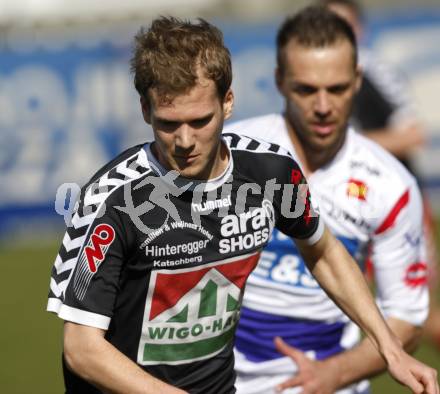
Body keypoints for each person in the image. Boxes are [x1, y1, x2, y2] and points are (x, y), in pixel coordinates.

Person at [46, 16, 438, 394]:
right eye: (168, 123)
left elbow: (324, 251)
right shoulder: (110, 200)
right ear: (145, 110)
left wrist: (389, 348)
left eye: (200, 121)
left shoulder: (270, 173)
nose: (184, 141)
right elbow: (82, 349)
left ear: (228, 103)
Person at [224, 6, 436, 394]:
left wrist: (332, 375)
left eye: (336, 88)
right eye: (306, 89)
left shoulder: (390, 185)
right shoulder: (228, 155)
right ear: (279, 81)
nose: (323, 106)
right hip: (217, 381)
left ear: (356, 81)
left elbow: (406, 320)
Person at [321, 0, 440, 354]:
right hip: (344, 204)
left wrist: (338, 143)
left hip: (393, 205)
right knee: (339, 307)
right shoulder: (320, 76)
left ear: (361, 30)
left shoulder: (374, 71)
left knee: (415, 313)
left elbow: (411, 133)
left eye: (343, 25)